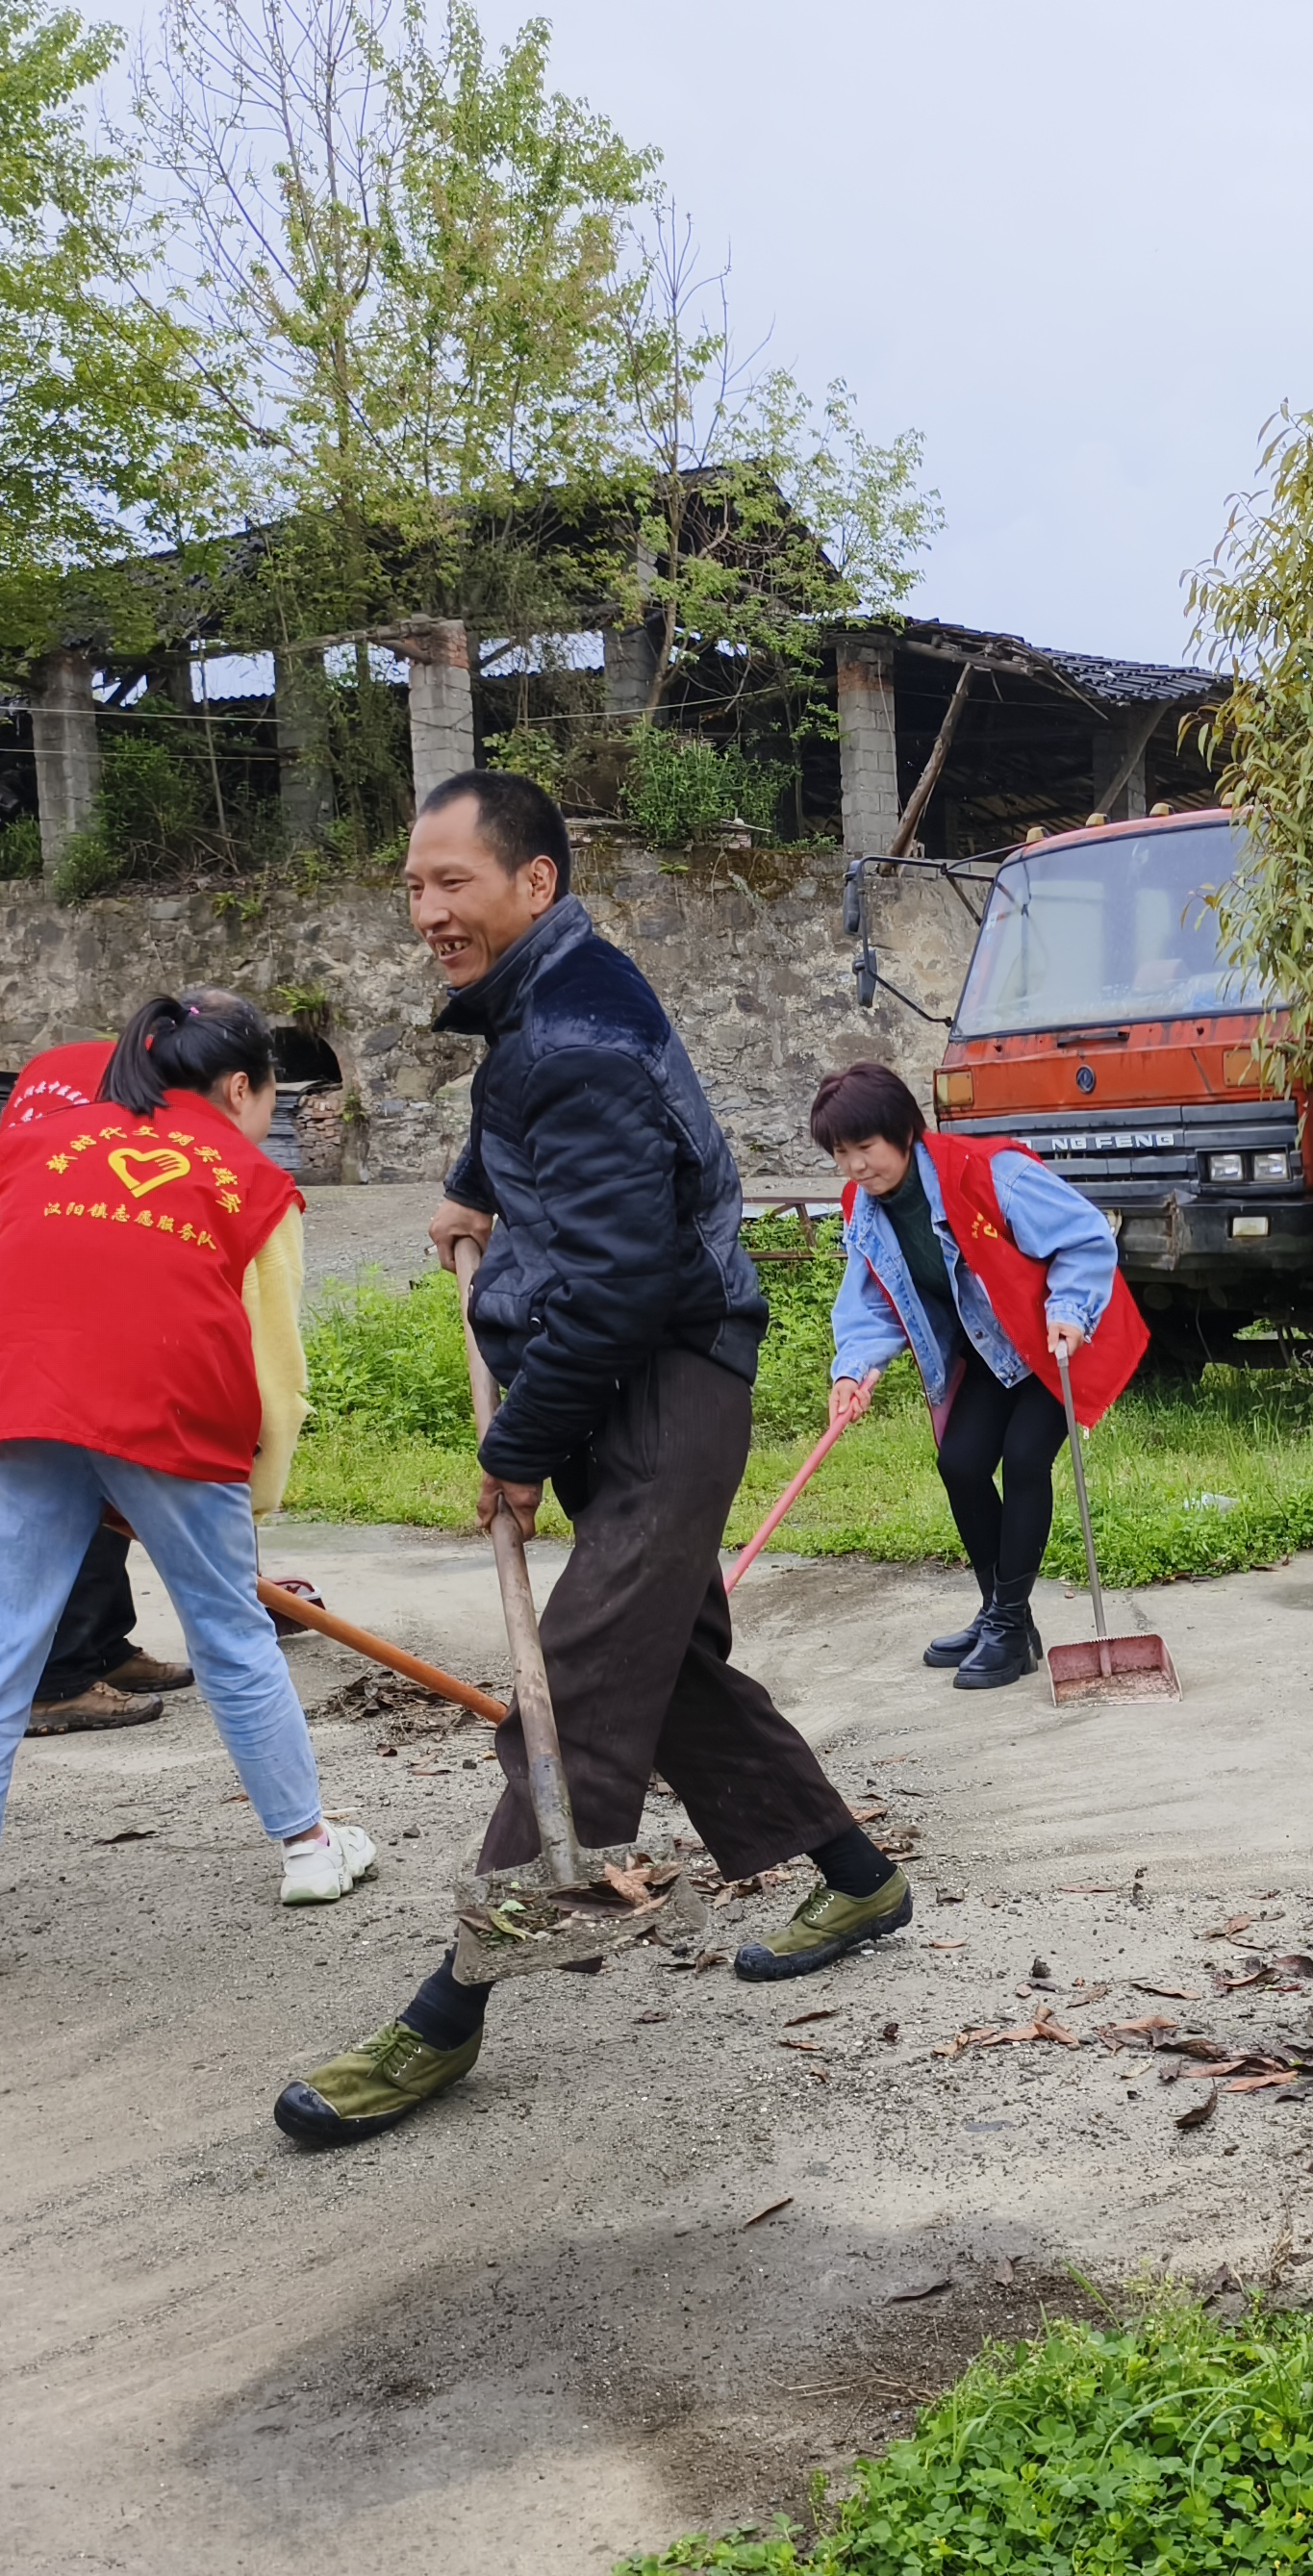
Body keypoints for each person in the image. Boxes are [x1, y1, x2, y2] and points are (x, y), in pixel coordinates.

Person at [274, 772, 905, 2147]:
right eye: (416, 885)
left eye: (455, 884)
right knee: (668, 1666)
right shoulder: (559, 1003)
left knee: (572, 1692)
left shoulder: (573, 1032)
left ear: (536, 884)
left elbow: (623, 1273)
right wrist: (474, 1183)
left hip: (662, 1386)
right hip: (636, 1379)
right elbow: (548, 1122)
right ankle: (857, 1877)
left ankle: (445, 2016)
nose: (427, 910)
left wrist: (518, 1445)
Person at [0, 990, 375, 2009]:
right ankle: (310, 1850)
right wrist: (259, 1489)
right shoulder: (251, 1179)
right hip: (172, 1411)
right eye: (269, 1094)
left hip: (14, 1398)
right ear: (240, 1087)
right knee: (231, 1637)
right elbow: (274, 1365)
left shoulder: (37, 1143)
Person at [810, 1060, 1143, 1687]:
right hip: (991, 1350)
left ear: (904, 1132)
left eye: (865, 1147)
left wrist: (1069, 1308)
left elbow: (1084, 1235)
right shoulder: (865, 1207)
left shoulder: (989, 1171)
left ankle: (1008, 1622)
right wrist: (853, 1370)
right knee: (960, 1463)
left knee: (1023, 1459)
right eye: (840, 1153)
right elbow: (873, 1299)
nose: (855, 1166)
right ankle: (1004, 1619)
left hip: (1056, 1338)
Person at [0, 1036, 196, 1737]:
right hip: (41, 1324)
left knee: (103, 1492)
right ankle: (57, 1680)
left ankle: (101, 1647)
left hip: (52, 1311)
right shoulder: (119, 1112)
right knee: (73, 1491)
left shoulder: (113, 1076)